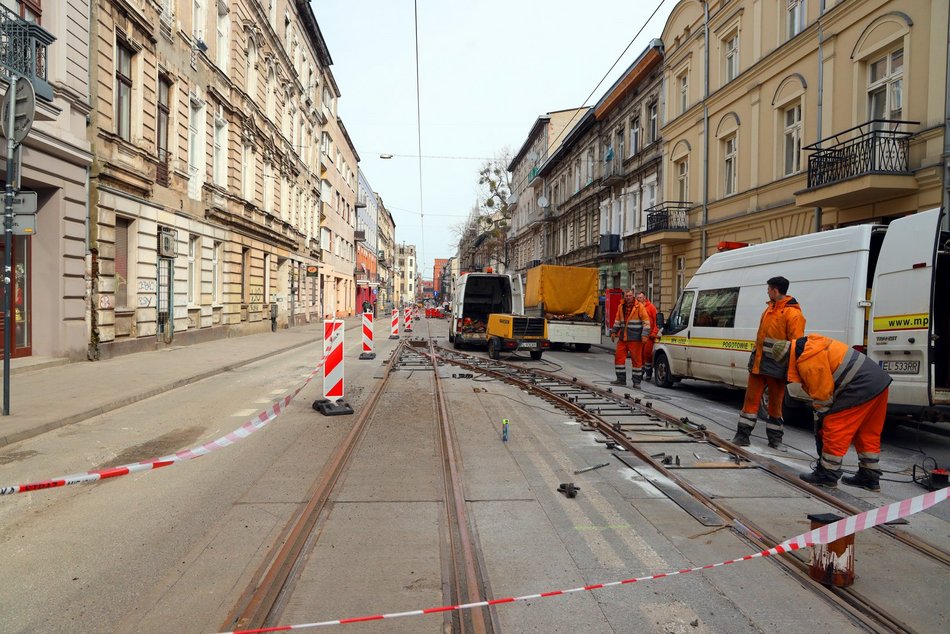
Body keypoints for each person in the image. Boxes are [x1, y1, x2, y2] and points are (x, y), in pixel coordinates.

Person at [771, 335, 891, 491]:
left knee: (835, 426)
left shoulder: (807, 361)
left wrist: (821, 417)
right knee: (867, 432)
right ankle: (869, 477)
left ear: (787, 360)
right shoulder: (811, 346)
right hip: (878, 382)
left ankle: (827, 475)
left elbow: (823, 396)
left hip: (860, 384)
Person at [732, 276, 805, 449]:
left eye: (769, 289)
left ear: (775, 290)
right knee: (750, 401)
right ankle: (742, 436)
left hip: (777, 367)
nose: (767, 291)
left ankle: (775, 440)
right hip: (759, 364)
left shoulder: (793, 315)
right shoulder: (769, 309)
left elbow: (796, 345)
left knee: (775, 404)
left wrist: (790, 371)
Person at [610, 289, 651, 388]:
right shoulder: (621, 307)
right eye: (626, 296)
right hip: (623, 338)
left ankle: (636, 382)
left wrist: (645, 335)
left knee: (637, 361)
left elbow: (646, 322)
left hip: (635, 339)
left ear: (633, 296)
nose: (628, 297)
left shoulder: (639, 307)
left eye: (630, 296)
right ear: (624, 296)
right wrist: (614, 331)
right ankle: (621, 379)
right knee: (619, 358)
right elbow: (617, 321)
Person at [636, 291, 659, 381]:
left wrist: (654, 333)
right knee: (639, 355)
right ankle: (640, 373)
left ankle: (648, 372)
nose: (638, 299)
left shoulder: (651, 307)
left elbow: (657, 321)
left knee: (647, 355)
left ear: (644, 298)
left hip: (649, 336)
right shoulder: (637, 307)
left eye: (640, 298)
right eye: (637, 298)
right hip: (639, 336)